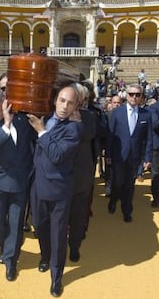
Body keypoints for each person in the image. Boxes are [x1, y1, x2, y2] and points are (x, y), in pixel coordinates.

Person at [27, 82, 82, 298]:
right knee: (39, 227)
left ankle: (56, 277)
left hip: (59, 190)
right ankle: (44, 256)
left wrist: (41, 132)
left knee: (58, 235)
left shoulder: (74, 129)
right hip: (37, 186)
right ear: (55, 100)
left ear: (75, 107)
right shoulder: (43, 116)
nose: (64, 106)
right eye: (62, 100)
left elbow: (57, 155)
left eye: (70, 103)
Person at [0, 85, 36, 282]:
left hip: (20, 182)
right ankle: (4, 245)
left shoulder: (23, 119)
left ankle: (11, 262)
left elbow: (35, 143)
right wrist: (6, 125)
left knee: (16, 224)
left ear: (2, 102)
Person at [106, 84, 153, 222]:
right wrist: (108, 155)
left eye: (137, 95)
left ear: (141, 97)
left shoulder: (147, 114)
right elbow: (110, 134)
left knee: (129, 185)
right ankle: (113, 199)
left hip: (135, 156)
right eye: (131, 94)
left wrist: (148, 158)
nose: (134, 97)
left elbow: (149, 138)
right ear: (126, 96)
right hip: (118, 154)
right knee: (118, 182)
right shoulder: (117, 112)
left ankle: (127, 210)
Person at [68, 83, 96, 263]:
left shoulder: (89, 116)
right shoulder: (56, 114)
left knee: (78, 215)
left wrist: (77, 121)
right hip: (59, 176)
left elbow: (90, 135)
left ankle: (75, 246)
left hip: (80, 175)